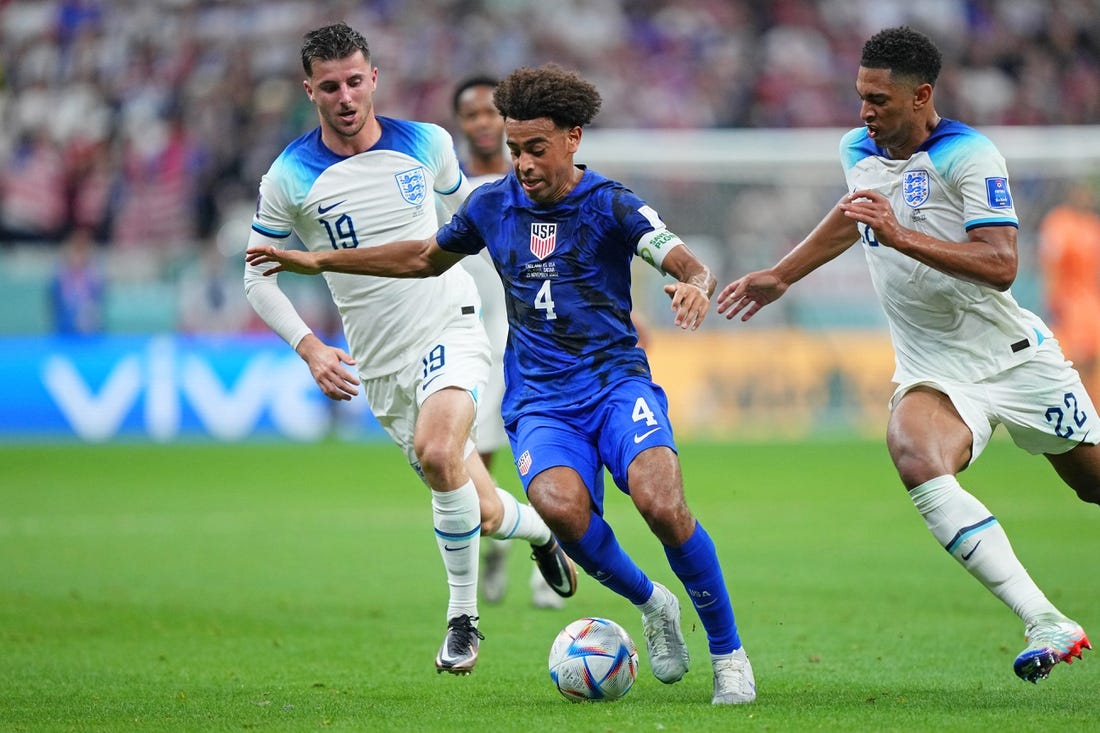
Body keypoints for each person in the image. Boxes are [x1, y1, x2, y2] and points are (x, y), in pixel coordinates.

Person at [246, 63, 757, 706]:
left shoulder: (611, 203)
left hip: (614, 382)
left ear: (573, 137)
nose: (522, 163)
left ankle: (728, 653)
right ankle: (652, 603)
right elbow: (420, 257)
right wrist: (318, 259)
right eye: (515, 150)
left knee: (661, 502)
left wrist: (692, 285)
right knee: (563, 513)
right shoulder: (491, 204)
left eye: (535, 149)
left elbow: (684, 260)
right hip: (540, 398)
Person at [717, 25, 1096, 684]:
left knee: (1093, 483)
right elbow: (854, 212)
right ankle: (1047, 620)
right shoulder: (856, 147)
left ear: (922, 96)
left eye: (880, 100)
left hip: (1013, 357)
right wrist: (782, 273)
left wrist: (899, 234)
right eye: (860, 96)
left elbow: (1002, 263)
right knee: (916, 456)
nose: (865, 111)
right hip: (934, 367)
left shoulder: (971, 155)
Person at [241, 23, 577, 676]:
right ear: (310, 89)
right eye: (330, 85)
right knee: (476, 506)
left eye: (355, 81)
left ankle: (463, 619)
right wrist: (310, 347)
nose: (345, 96)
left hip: (452, 324)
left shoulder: (426, 144)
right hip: (380, 363)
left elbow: (469, 226)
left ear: (374, 79)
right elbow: (257, 277)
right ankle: (543, 532)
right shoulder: (288, 175)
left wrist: (529, 298)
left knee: (436, 450)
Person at [446, 75, 563, 610]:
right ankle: (499, 541)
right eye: (471, 115)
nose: (483, 123)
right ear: (461, 125)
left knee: (544, 443)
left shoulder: (539, 178)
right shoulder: (450, 187)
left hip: (535, 329)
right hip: (474, 331)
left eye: (490, 112)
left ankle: (550, 554)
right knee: (480, 454)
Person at [1038, 182, 1100, 397]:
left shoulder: (1092, 224)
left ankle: (1094, 409)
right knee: (1076, 357)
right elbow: (1050, 264)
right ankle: (1079, 405)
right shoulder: (1059, 222)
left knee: (1093, 356)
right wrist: (1052, 298)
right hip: (1070, 300)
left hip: (1091, 300)